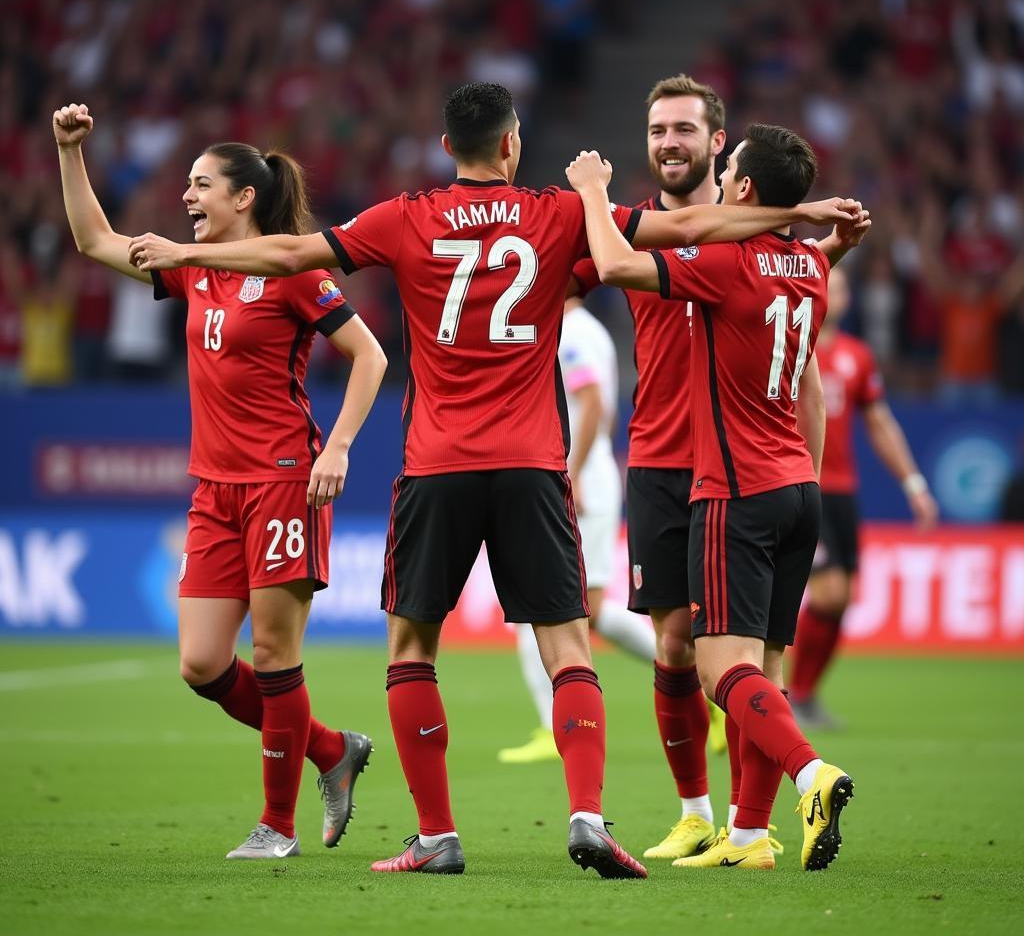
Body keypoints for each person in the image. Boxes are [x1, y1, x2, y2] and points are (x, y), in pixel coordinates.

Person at [128, 82, 857, 879]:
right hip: (534, 464)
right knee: (569, 649)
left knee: (412, 649)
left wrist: (188, 252)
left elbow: (289, 252)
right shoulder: (555, 214)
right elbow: (690, 224)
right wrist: (798, 218)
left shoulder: (403, 216)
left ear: (448, 149)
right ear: (512, 146)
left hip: (437, 463)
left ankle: (436, 835)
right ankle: (586, 816)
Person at [53, 103, 387, 860]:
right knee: (202, 663)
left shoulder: (289, 267)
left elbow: (371, 357)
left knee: (274, 654)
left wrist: (336, 449)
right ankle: (332, 748)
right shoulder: (190, 264)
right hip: (213, 489)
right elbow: (93, 240)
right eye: (187, 185)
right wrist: (70, 152)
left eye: (201, 185)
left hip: (282, 482)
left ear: (245, 197)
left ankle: (277, 826)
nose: (186, 198)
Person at [565, 123, 868, 872]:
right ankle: (746, 838)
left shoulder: (726, 263)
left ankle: (811, 774)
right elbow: (789, 286)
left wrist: (594, 191)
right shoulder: (809, 267)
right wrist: (824, 236)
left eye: (728, 166)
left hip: (735, 489)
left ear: (741, 190)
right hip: (801, 487)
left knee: (718, 670)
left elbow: (611, 261)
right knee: (759, 670)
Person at [499, 294, 656, 766]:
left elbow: (591, 405)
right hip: (579, 475)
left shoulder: (575, 331)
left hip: (578, 478)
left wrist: (572, 469)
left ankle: (688, 673)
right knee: (574, 608)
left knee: (557, 606)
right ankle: (687, 673)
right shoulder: (575, 328)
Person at [789, 266, 938, 729]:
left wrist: (913, 483)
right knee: (829, 592)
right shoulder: (789, 346)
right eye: (825, 285)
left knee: (845, 596)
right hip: (801, 482)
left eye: (840, 288)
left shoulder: (857, 356)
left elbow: (879, 423)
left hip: (843, 492)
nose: (832, 295)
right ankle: (791, 693)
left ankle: (806, 694)